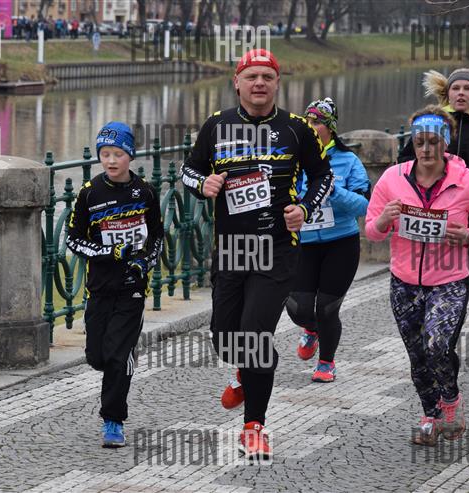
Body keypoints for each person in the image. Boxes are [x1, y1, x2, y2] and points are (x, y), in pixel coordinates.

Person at [180, 48, 333, 459]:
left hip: (276, 250)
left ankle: (254, 426)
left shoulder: (297, 129)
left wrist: (304, 209)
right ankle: (249, 369)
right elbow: (188, 169)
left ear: (277, 83)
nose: (259, 83)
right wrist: (203, 185)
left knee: (253, 334)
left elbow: (323, 176)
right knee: (225, 338)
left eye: (267, 76)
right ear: (237, 82)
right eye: (252, 76)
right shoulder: (217, 125)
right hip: (231, 248)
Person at [366, 105, 469, 446]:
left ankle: (451, 400)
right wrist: (383, 220)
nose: (426, 149)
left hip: (449, 281)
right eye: (419, 142)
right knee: (417, 355)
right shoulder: (392, 179)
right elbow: (372, 231)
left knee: (437, 344)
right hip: (404, 282)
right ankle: (430, 414)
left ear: (446, 143)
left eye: (433, 142)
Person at [66, 122, 163, 447]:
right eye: (105, 154)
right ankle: (116, 360)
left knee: (119, 358)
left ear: (130, 156)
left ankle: (113, 421)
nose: (110, 160)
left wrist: (144, 261)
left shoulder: (146, 193)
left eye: (117, 154)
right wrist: (109, 252)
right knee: (98, 357)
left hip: (132, 287)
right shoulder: (89, 193)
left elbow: (157, 236)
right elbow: (73, 240)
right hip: (99, 286)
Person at [286, 97, 370, 382]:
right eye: (307, 121)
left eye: (317, 122)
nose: (311, 126)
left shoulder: (349, 161)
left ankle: (326, 362)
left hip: (341, 243)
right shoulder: (293, 160)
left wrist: (332, 191)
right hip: (304, 244)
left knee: (327, 307)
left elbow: (365, 206)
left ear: (330, 127)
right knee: (297, 308)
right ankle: (311, 329)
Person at [399, 68, 469, 275]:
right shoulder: (431, 122)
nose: (461, 92)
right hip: (429, 207)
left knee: (461, 272)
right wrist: (427, 169)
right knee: (424, 269)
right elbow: (403, 160)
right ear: (448, 93)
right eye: (456, 88)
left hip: (468, 211)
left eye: (467, 88)